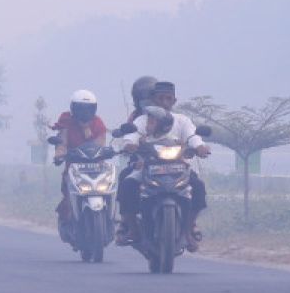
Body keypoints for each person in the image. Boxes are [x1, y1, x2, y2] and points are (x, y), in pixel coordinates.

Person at [115, 81, 211, 252]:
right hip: (147, 168)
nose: (165, 102)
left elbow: (192, 137)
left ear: (174, 100)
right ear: (153, 99)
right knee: (128, 184)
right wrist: (130, 144)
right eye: (161, 98)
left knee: (198, 187)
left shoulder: (182, 120)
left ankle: (189, 228)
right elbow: (132, 135)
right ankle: (132, 228)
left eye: (169, 98)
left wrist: (200, 147)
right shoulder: (142, 120)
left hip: (179, 167)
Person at [52, 90, 108, 233]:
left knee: (107, 188)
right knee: (67, 191)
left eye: (88, 109)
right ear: (73, 108)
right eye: (80, 109)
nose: (84, 113)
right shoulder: (66, 120)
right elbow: (62, 142)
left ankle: (108, 216)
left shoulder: (98, 123)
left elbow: (100, 144)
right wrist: (59, 154)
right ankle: (69, 219)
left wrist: (86, 129)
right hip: (74, 167)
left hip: (96, 167)